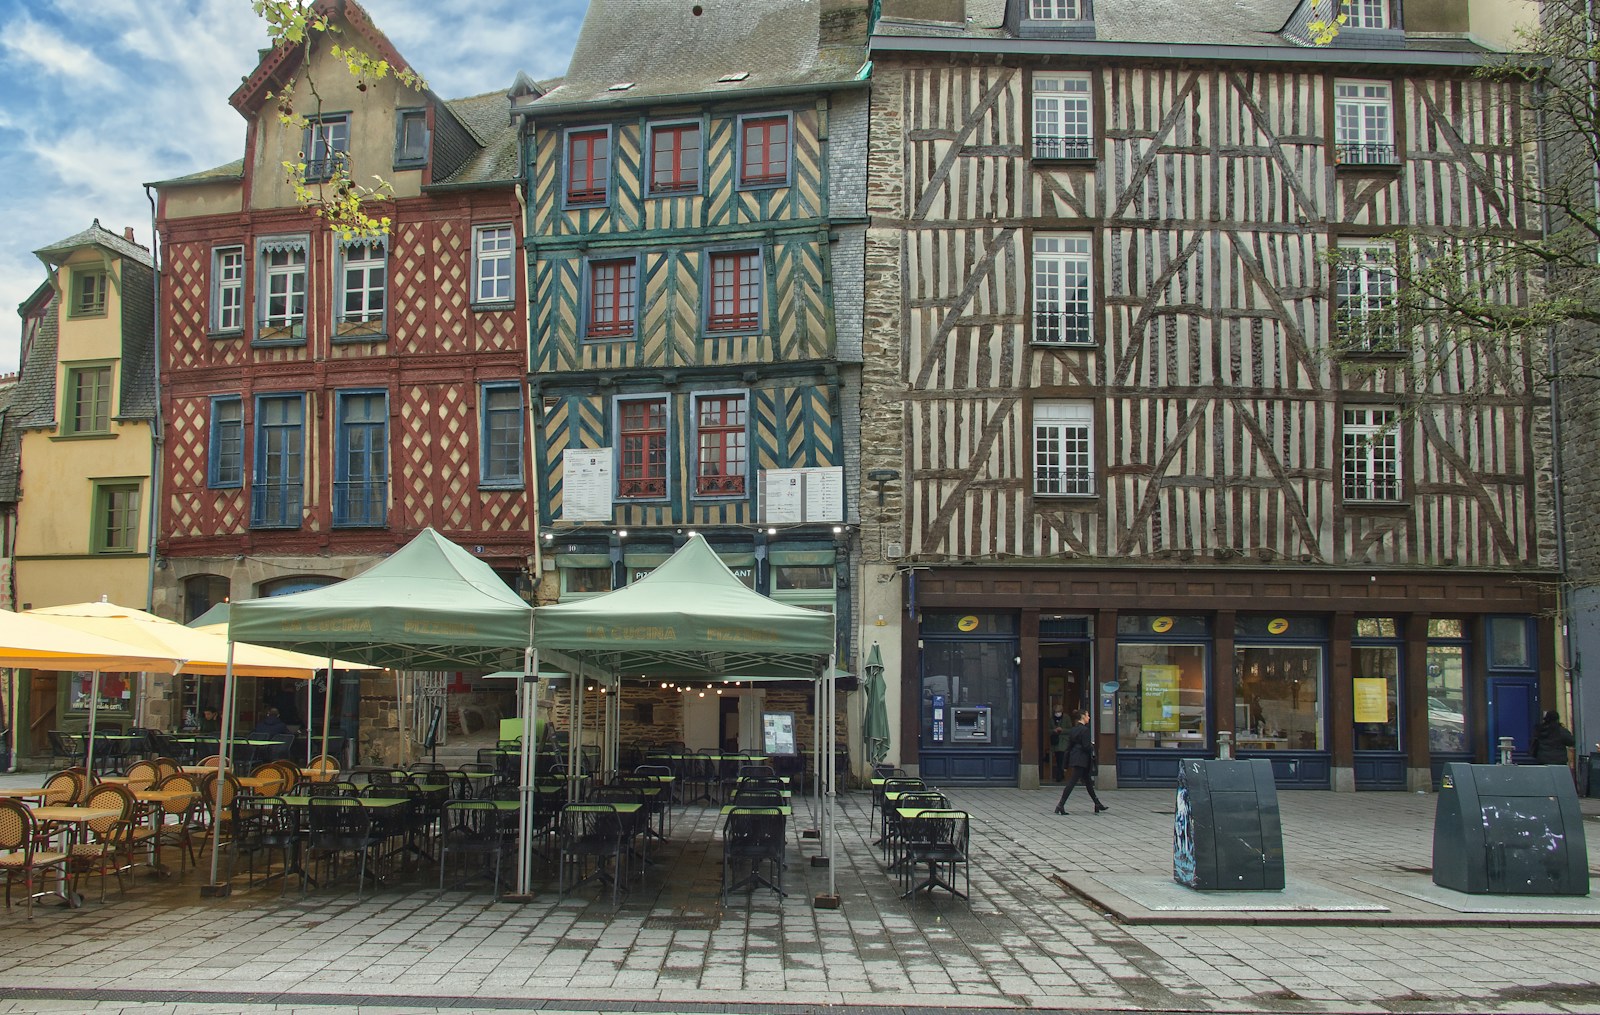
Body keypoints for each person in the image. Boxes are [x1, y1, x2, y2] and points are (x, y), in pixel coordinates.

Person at [1054, 708, 1107, 815]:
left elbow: (1069, 747)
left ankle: (1097, 804)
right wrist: (1092, 745)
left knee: (1088, 782)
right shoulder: (1085, 730)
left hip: (1075, 758)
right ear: (1083, 716)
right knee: (1072, 782)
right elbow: (1086, 747)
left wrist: (1066, 763)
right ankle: (1060, 805)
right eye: (1087, 715)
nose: (1089, 717)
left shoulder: (1074, 729)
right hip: (1082, 760)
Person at [1050, 712, 1068, 782]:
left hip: (1063, 742)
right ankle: (1060, 775)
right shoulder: (1052, 719)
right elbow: (1048, 729)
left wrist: (1062, 730)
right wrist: (1053, 731)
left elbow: (1070, 729)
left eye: (1059, 711)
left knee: (1062, 759)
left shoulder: (1066, 718)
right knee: (1058, 760)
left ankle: (1060, 775)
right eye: (1056, 711)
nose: (1058, 713)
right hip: (1055, 742)